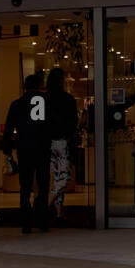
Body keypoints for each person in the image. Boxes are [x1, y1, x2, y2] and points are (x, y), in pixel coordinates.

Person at [2, 73, 51, 233]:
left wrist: (7, 149)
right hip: (43, 147)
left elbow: (9, 129)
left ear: (25, 86)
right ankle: (42, 220)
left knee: (25, 185)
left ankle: (25, 222)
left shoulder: (17, 104)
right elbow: (54, 122)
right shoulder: (47, 101)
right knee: (43, 184)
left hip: (24, 148)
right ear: (39, 85)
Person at [45, 68, 78, 219]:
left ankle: (59, 211)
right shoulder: (67, 99)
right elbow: (73, 122)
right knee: (64, 177)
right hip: (62, 141)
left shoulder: (46, 99)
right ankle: (47, 203)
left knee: (58, 176)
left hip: (48, 142)